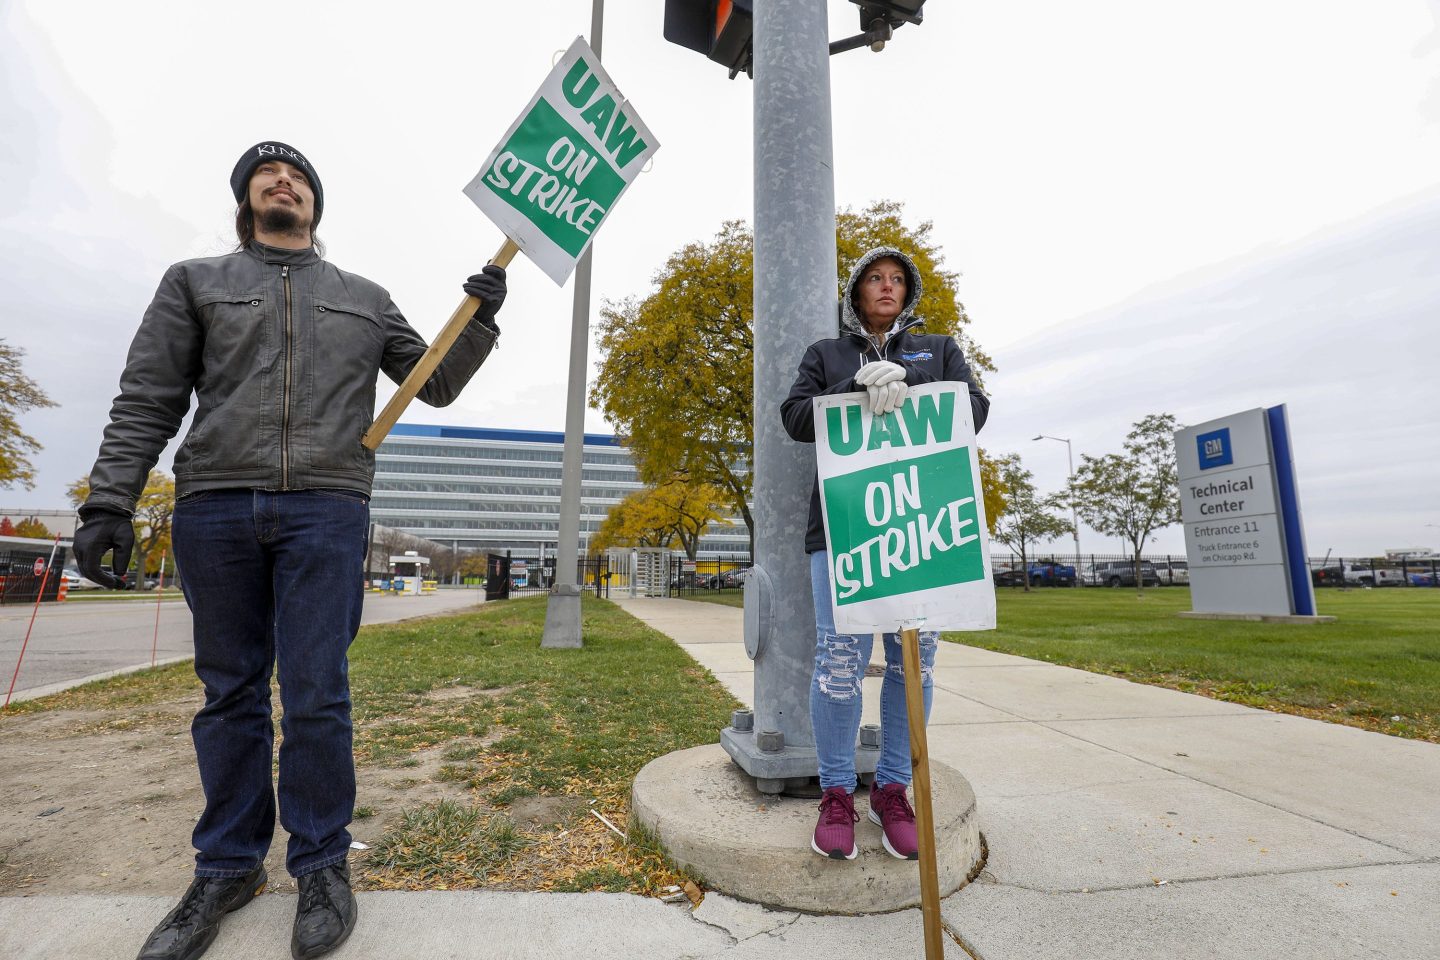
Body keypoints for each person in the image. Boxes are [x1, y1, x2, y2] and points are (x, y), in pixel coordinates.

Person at [71, 141, 509, 960]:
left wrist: (478, 319)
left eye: (300, 175)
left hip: (327, 509)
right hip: (216, 505)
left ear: (315, 203)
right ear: (247, 200)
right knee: (230, 694)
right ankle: (228, 867)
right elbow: (149, 394)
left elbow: (434, 381)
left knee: (316, 693)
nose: (286, 181)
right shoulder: (195, 282)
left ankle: (321, 866)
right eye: (269, 175)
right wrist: (109, 501)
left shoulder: (365, 298)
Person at [781, 246, 989, 862]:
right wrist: (852, 387)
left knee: (912, 662)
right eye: (875, 278)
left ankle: (893, 789)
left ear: (910, 291)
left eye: (897, 279)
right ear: (856, 292)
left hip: (922, 527)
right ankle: (838, 793)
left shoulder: (940, 348)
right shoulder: (826, 354)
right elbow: (794, 418)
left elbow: (973, 411)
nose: (886, 286)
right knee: (840, 659)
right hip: (844, 528)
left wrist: (912, 380)